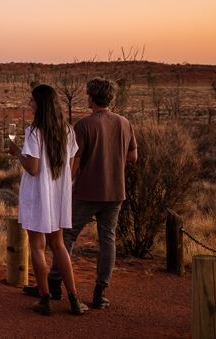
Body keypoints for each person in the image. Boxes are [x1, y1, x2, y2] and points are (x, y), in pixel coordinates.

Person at [36, 77, 137, 309]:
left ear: (92, 97)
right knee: (108, 239)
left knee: (66, 236)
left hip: (86, 191)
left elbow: (75, 162)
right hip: (115, 191)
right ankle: (100, 292)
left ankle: (54, 282)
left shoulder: (84, 125)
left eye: (88, 94)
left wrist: (65, 185)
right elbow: (133, 156)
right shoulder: (124, 123)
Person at [9, 84, 89, 315]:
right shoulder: (67, 131)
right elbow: (72, 164)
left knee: (37, 246)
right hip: (57, 196)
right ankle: (73, 297)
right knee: (59, 245)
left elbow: (33, 168)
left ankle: (45, 298)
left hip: (37, 195)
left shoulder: (34, 132)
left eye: (32, 100)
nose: (29, 104)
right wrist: (61, 184)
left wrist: (18, 153)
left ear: (41, 104)